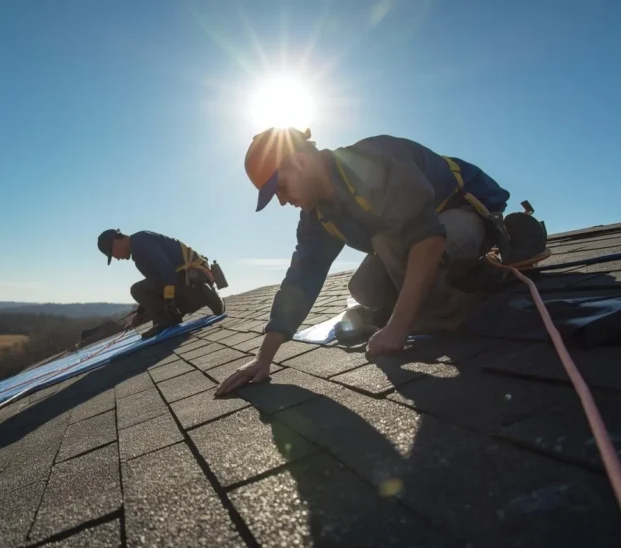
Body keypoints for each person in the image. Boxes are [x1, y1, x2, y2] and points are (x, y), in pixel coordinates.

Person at [216, 126, 531, 396]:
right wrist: (264, 358)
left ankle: (449, 301)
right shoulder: (317, 215)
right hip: (417, 240)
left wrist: (399, 326)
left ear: (300, 161)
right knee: (363, 288)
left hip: (463, 215)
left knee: (387, 242)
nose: (282, 201)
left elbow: (426, 236)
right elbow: (301, 278)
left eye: (280, 188)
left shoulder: (372, 160)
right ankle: (465, 277)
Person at [97, 229, 225, 338]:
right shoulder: (139, 251)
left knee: (136, 289)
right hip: (190, 277)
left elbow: (167, 271)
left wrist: (169, 301)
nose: (117, 258)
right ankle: (203, 295)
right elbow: (156, 283)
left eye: (112, 254)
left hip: (192, 274)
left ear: (114, 243)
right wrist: (140, 313)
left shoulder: (141, 241)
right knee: (150, 293)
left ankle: (168, 320)